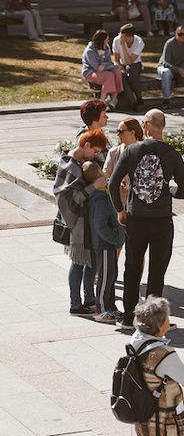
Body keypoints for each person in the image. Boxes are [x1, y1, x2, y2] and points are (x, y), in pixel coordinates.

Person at [109, 109, 184, 330]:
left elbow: (112, 184)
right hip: (162, 220)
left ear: (145, 125)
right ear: (163, 125)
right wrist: (166, 191)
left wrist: (120, 210)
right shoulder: (172, 154)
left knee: (132, 268)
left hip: (135, 219)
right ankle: (155, 323)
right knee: (157, 271)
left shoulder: (131, 151)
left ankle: (128, 318)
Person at [53, 129, 109, 316]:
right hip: (77, 223)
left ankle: (89, 299)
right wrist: (95, 186)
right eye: (95, 151)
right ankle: (75, 305)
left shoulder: (75, 162)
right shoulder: (72, 167)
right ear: (86, 146)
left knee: (89, 260)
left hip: (84, 221)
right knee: (78, 261)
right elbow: (68, 198)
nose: (96, 155)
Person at [128, 297, 184, 436]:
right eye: (166, 317)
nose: (168, 320)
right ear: (159, 324)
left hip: (143, 416)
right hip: (163, 423)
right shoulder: (163, 355)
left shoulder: (135, 341)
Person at [83, 163, 125, 323]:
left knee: (112, 275)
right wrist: (114, 238)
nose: (106, 173)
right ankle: (101, 309)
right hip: (105, 245)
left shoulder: (102, 193)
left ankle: (111, 306)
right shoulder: (99, 198)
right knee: (106, 277)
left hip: (108, 244)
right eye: (102, 171)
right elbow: (100, 225)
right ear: (98, 175)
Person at [104, 117, 145, 215]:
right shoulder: (113, 153)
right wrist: (115, 183)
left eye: (121, 131)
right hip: (120, 206)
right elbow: (104, 177)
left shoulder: (146, 152)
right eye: (117, 131)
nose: (118, 135)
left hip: (142, 206)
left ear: (132, 132)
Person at [82, 29, 124, 109]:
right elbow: (97, 68)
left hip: (104, 70)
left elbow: (108, 63)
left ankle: (114, 99)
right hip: (91, 72)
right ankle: (102, 101)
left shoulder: (106, 48)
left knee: (117, 72)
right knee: (109, 75)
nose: (108, 41)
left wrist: (105, 65)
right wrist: (106, 65)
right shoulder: (90, 51)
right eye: (107, 39)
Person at [112, 23, 146, 110]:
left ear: (130, 36)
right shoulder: (116, 40)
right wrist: (120, 67)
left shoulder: (139, 42)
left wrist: (123, 45)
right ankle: (133, 102)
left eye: (123, 36)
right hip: (122, 65)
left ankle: (139, 98)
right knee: (122, 75)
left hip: (135, 65)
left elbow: (130, 61)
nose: (120, 37)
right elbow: (116, 60)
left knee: (131, 70)